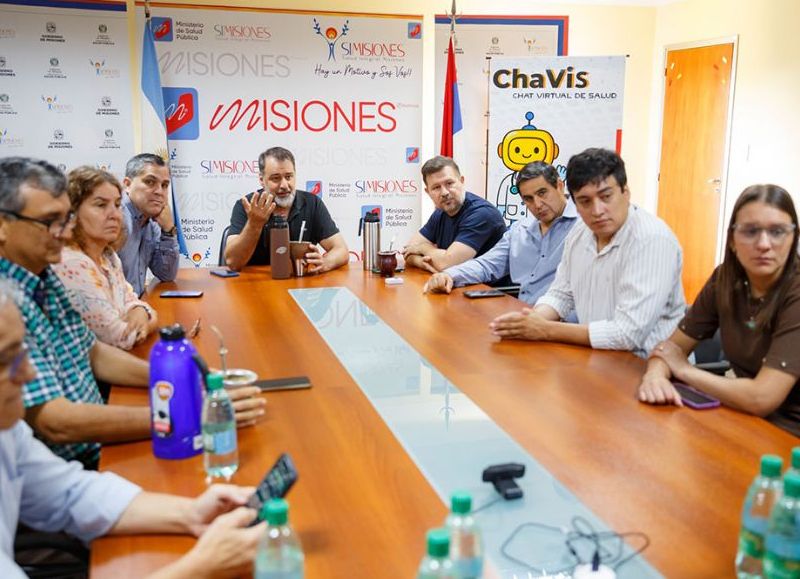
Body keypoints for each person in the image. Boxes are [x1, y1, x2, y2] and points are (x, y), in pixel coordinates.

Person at [0, 157, 265, 469]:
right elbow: (55, 422)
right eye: (50, 221)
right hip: (74, 461)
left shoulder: (44, 276)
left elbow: (94, 352)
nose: (64, 230)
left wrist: (194, 380)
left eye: (65, 218)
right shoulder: (9, 301)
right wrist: (190, 413)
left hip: (98, 439)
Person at [0, 286, 265, 578]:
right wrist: (201, 568)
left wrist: (191, 514)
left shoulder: (8, 432)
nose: (29, 373)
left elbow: (70, 493)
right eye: (5, 360)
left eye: (21, 354)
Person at [489, 148, 685, 358]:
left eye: (606, 196)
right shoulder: (580, 233)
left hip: (650, 364)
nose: (597, 210)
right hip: (596, 355)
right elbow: (561, 294)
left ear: (625, 192)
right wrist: (531, 320)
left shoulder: (652, 239)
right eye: (585, 201)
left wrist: (545, 329)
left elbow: (628, 334)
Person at [639, 185, 800, 435]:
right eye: (750, 231)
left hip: (789, 433)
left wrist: (684, 370)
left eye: (777, 232)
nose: (764, 244)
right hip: (745, 417)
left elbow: (762, 398)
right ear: (733, 240)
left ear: (793, 238)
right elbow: (669, 349)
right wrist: (654, 377)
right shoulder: (725, 279)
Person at [423, 161, 578, 305]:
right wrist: (449, 275)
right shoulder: (519, 230)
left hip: (564, 319)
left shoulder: (583, 226)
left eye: (542, 193)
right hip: (522, 312)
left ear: (560, 186)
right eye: (528, 199)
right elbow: (486, 265)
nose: (537, 204)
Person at [53, 166, 157, 350]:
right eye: (101, 205)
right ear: (72, 213)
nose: (115, 215)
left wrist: (140, 311)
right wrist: (150, 321)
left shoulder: (108, 256)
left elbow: (132, 300)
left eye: (117, 205)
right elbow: (120, 337)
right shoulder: (72, 263)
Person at [224, 146, 349, 273]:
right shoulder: (246, 206)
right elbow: (233, 263)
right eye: (276, 178)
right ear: (262, 180)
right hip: (255, 282)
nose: (284, 185)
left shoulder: (312, 203)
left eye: (289, 177)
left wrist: (326, 262)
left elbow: (341, 250)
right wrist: (254, 224)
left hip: (300, 282)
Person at [404, 156, 507, 273]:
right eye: (436, 187)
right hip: (455, 281)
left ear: (461, 181)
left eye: (449, 183)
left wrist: (424, 248)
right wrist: (421, 262)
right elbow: (408, 251)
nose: (444, 192)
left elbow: (447, 264)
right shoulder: (440, 212)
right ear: (428, 192)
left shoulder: (482, 214)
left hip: (488, 284)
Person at [117, 153, 180, 296]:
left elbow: (166, 275)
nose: (159, 192)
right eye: (150, 182)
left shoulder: (152, 221)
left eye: (164, 185)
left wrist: (168, 231)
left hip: (136, 302)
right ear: (127, 185)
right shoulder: (115, 218)